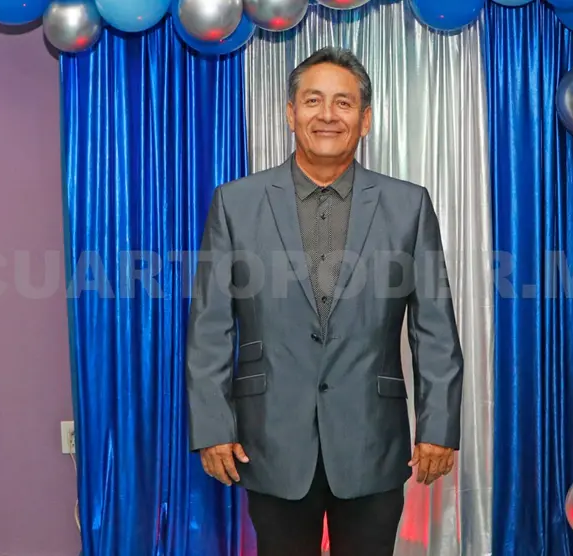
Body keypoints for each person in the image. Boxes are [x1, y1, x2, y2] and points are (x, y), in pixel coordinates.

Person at [185, 47, 464, 556]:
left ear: (365, 120)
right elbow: (210, 326)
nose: (328, 115)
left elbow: (435, 329)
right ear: (291, 113)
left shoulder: (408, 205)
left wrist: (439, 427)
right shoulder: (236, 203)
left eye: (344, 102)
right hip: (270, 441)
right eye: (313, 101)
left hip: (372, 441)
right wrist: (212, 426)